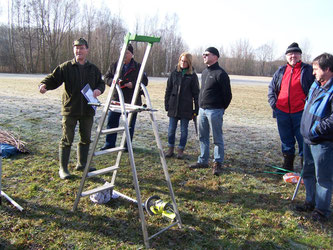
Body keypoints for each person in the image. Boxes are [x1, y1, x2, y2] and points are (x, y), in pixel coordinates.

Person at [39, 38, 105, 179]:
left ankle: (82, 164)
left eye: (81, 48)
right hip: (70, 109)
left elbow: (101, 83)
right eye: (76, 48)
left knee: (86, 138)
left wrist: (99, 90)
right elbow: (53, 78)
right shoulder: (66, 67)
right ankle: (63, 169)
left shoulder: (93, 69)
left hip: (88, 110)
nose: (78, 50)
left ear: (87, 50)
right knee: (67, 139)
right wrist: (43, 85)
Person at [296, 53, 333, 222]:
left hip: (323, 142)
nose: (313, 72)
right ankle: (310, 202)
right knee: (308, 173)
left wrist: (316, 130)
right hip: (307, 139)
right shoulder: (316, 85)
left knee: (323, 178)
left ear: (327, 69)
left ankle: (321, 210)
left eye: (316, 69)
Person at [268, 42, 314, 172]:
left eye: (295, 53)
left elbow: (314, 90)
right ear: (286, 56)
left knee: (303, 140)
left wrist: (308, 106)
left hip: (301, 113)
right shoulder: (281, 71)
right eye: (290, 54)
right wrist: (274, 104)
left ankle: (306, 168)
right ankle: (287, 166)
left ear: (300, 55)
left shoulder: (308, 70)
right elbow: (272, 88)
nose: (293, 56)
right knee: (286, 140)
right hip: (282, 112)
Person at [189, 47, 232, 176]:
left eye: (207, 54)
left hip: (215, 111)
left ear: (215, 57)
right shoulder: (205, 72)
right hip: (202, 110)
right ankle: (203, 160)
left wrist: (220, 108)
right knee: (202, 137)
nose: (204, 56)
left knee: (217, 138)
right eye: (203, 54)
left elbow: (228, 95)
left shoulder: (221, 74)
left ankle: (218, 162)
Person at [101, 44, 148, 150]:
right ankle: (109, 144)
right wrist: (113, 82)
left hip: (132, 100)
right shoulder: (114, 65)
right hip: (116, 99)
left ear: (132, 54)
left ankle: (127, 145)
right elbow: (106, 77)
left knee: (130, 124)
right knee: (112, 122)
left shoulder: (138, 67)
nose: (124, 55)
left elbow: (145, 81)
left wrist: (133, 84)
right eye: (122, 52)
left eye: (126, 53)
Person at [164, 52, 200, 159]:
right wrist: (167, 104)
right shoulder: (174, 73)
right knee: (171, 130)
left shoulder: (192, 76)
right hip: (173, 107)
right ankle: (170, 149)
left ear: (189, 63)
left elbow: (196, 94)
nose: (183, 63)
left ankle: (180, 150)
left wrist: (196, 110)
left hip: (186, 108)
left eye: (185, 61)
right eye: (181, 60)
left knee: (184, 131)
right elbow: (168, 90)